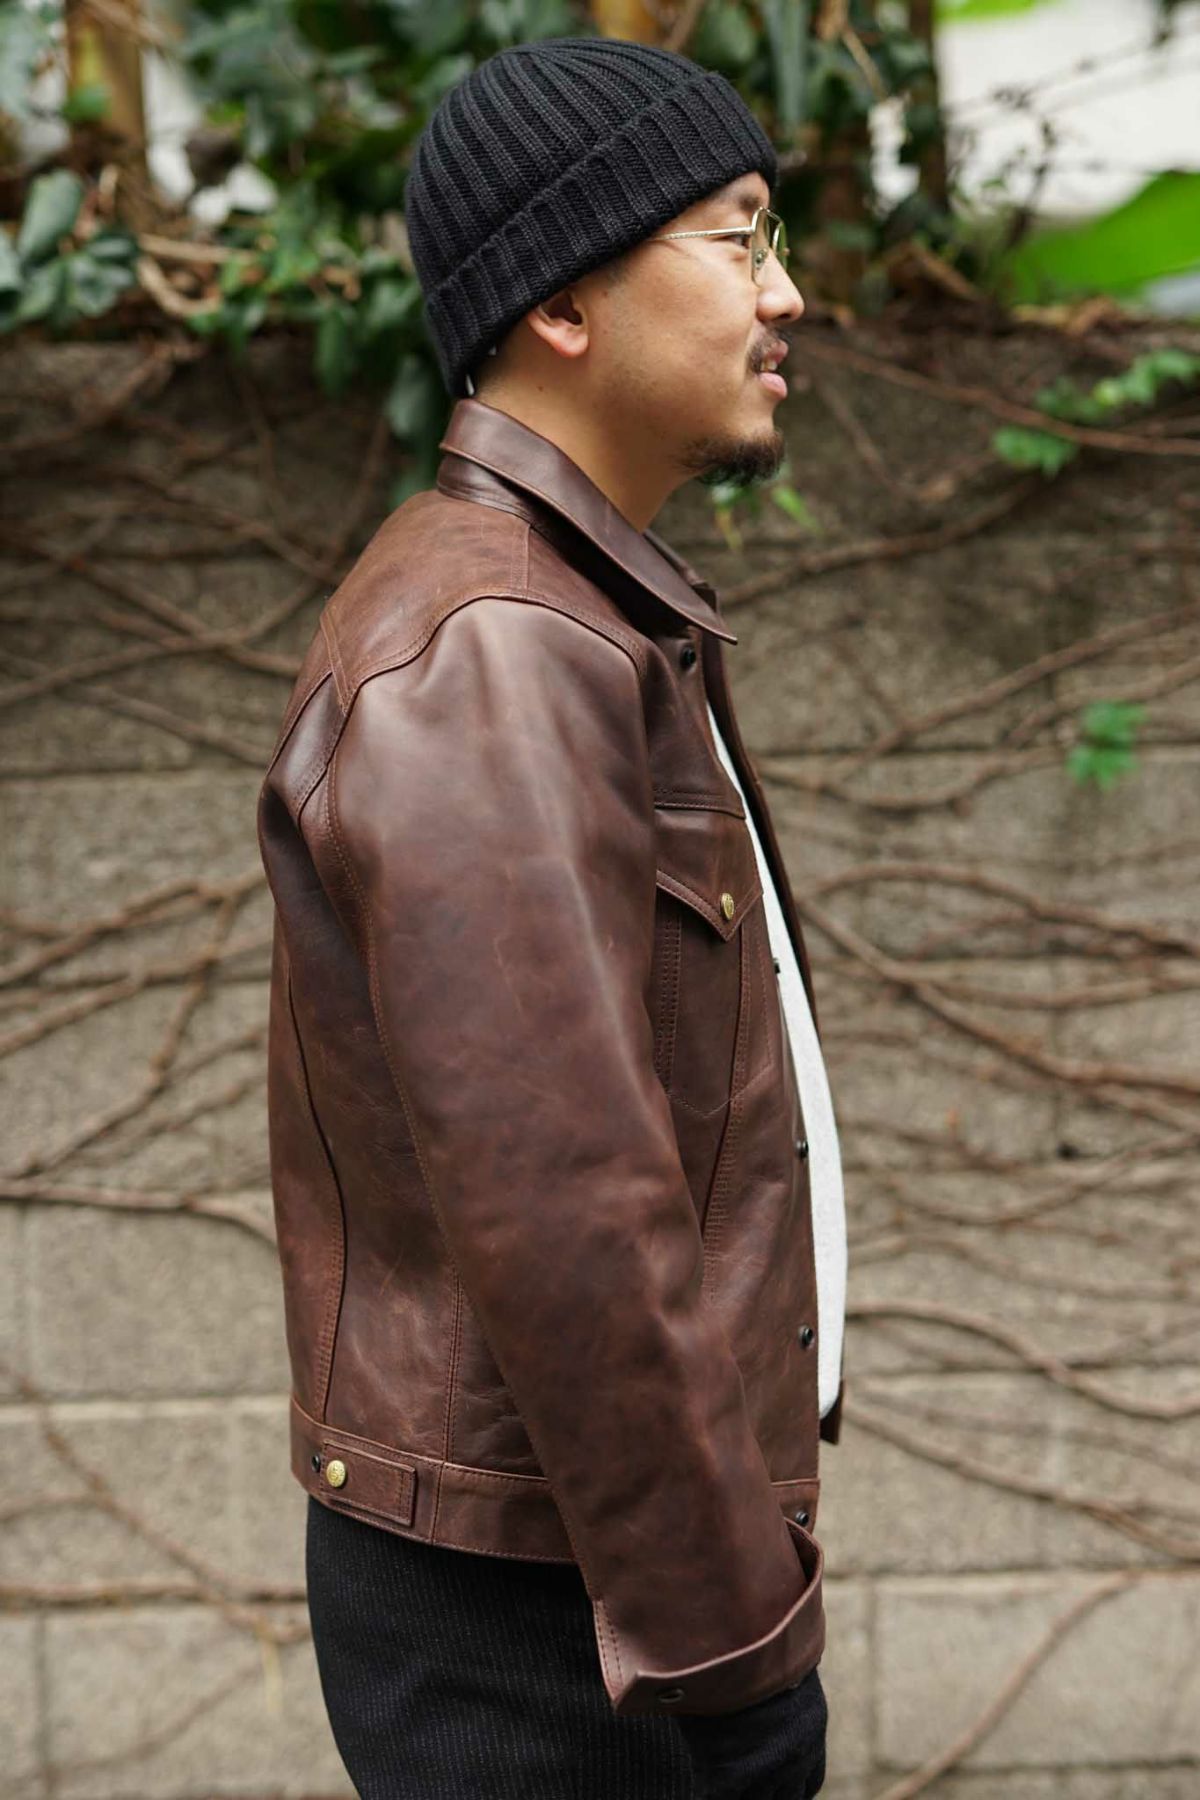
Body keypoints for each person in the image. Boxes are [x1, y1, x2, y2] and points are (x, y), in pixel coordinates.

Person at [256, 33, 847, 1800]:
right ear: (563, 301)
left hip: (595, 1581)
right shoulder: (494, 646)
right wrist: (728, 1648)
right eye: (737, 238)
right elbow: (568, 1206)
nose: (785, 293)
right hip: (557, 1626)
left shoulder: (568, 613)